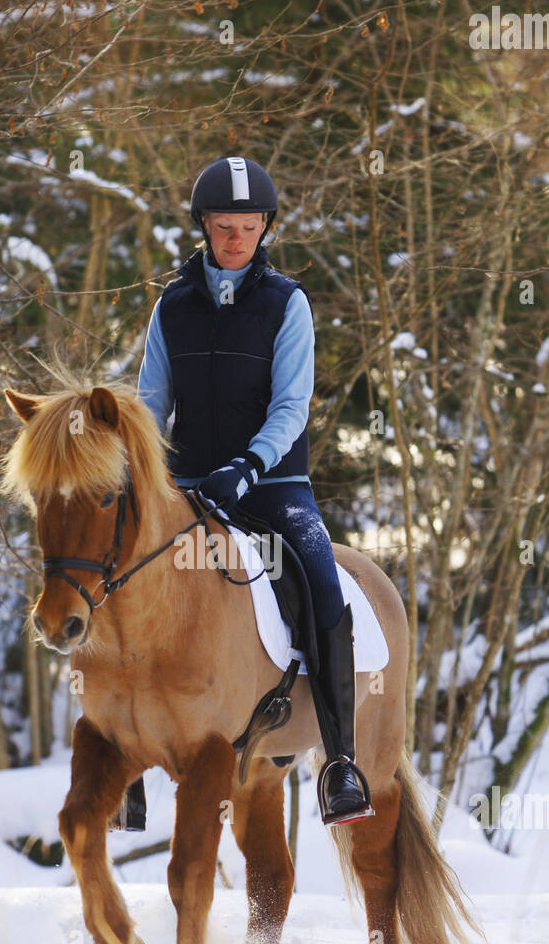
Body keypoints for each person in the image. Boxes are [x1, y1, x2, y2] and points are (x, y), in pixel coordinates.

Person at [133, 154, 372, 826]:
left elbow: (292, 406)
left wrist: (247, 465)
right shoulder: (171, 304)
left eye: (246, 227)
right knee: (114, 571)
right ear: (203, 226)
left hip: (272, 484)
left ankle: (341, 761)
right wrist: (148, 470)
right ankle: (122, 749)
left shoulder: (286, 303)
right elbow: (151, 399)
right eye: (222, 226)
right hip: (183, 485)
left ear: (265, 227)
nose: (234, 240)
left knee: (322, 579)